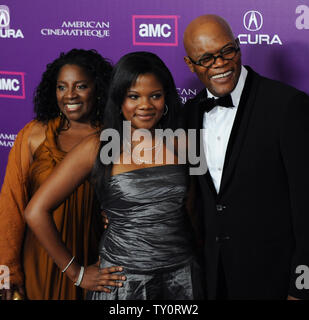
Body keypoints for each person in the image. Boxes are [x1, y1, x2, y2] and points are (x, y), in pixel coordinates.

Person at [23, 51, 204, 300]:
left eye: (155, 96)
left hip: (182, 280)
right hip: (124, 283)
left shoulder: (184, 142)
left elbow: (194, 212)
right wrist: (76, 273)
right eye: (133, 96)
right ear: (119, 99)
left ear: (167, 98)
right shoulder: (99, 146)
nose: (145, 105)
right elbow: (35, 211)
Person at [182, 14, 309, 300]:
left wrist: (302, 287)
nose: (221, 63)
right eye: (206, 58)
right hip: (213, 280)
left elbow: (306, 204)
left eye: (228, 50)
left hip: (275, 280)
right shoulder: (189, 114)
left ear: (238, 46)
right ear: (190, 64)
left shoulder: (287, 105)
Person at [0, 49, 124, 300]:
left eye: (81, 86)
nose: (70, 95)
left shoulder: (113, 139)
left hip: (92, 262)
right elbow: (11, 204)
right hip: (38, 260)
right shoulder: (34, 135)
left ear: (98, 89)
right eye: (61, 87)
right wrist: (7, 272)